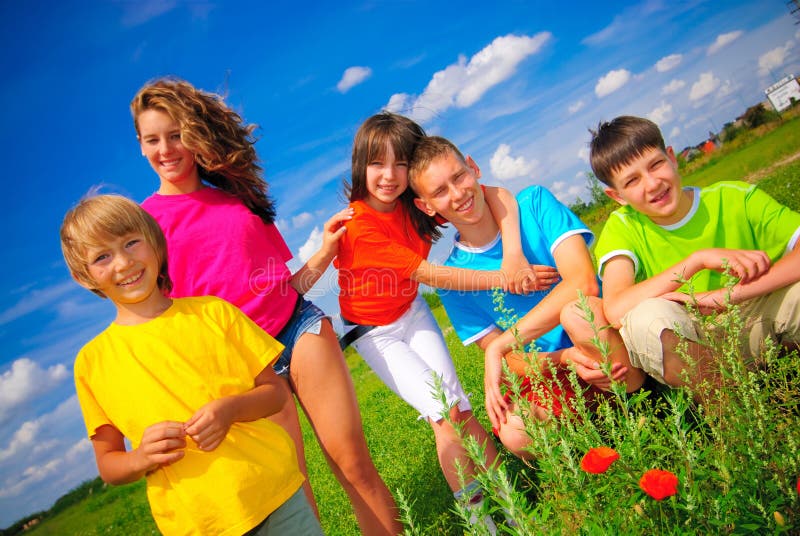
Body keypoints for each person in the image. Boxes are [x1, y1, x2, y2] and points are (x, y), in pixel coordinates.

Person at [132, 77, 401, 535]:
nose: (167, 149)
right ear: (140, 146)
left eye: (175, 135)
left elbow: (281, 285)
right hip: (244, 366)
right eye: (153, 139)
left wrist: (326, 249)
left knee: (353, 464)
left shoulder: (237, 199)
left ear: (194, 134)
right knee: (293, 493)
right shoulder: (144, 225)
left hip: (297, 327)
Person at [335, 112, 550, 532]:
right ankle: (480, 520)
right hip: (374, 333)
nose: (389, 175)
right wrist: (503, 278)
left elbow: (495, 194)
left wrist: (513, 256)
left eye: (401, 164)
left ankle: (514, 509)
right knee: (444, 414)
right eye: (378, 163)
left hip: (412, 313)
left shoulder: (414, 207)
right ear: (361, 165)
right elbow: (433, 275)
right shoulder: (359, 224)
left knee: (462, 409)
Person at [61, 194, 323, 535]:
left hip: (276, 494)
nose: (123, 263)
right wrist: (140, 457)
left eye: (131, 243)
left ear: (155, 243)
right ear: (85, 277)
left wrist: (230, 409)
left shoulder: (214, 312)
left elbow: (275, 393)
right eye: (102, 257)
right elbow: (109, 465)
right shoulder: (92, 363)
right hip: (199, 524)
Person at [408, 136, 640, 459]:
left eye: (459, 176)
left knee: (578, 314)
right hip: (552, 370)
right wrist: (567, 359)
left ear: (473, 168)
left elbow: (584, 282)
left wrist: (505, 343)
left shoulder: (533, 204)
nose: (458, 193)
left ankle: (645, 406)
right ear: (426, 206)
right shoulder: (453, 280)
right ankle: (590, 458)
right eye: (440, 191)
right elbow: (514, 362)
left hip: (604, 338)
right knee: (514, 429)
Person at [583, 115, 800, 389]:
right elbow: (615, 308)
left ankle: (776, 373)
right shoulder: (623, 226)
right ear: (618, 197)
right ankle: (729, 414)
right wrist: (697, 261)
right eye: (632, 181)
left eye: (656, 164)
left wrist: (726, 296)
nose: (652, 184)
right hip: (693, 339)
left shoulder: (734, 197)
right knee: (643, 318)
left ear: (672, 158)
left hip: (757, 313)